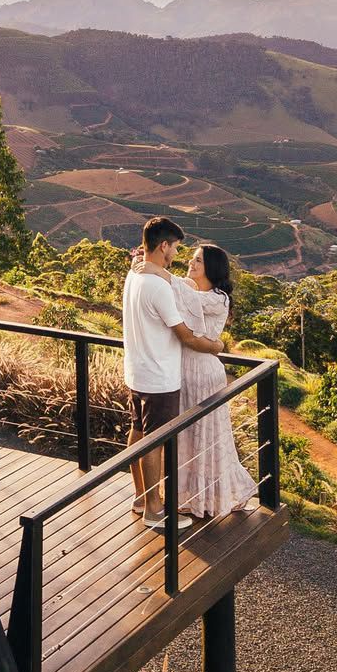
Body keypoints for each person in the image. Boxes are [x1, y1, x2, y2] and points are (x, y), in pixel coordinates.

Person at [135, 243, 256, 517]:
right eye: (191, 258)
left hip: (203, 373)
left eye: (198, 260)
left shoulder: (218, 299)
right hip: (181, 370)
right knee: (185, 437)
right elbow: (178, 292)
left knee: (205, 435)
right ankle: (184, 495)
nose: (191, 263)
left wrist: (156, 269)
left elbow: (182, 296)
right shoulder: (190, 289)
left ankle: (206, 496)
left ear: (212, 267)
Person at [122, 217, 225, 530]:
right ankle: (155, 510)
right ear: (163, 245)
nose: (177, 255)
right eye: (176, 248)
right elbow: (187, 337)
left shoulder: (134, 276)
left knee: (138, 432)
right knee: (155, 442)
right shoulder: (158, 287)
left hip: (136, 372)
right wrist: (216, 346)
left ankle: (141, 498)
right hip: (159, 377)